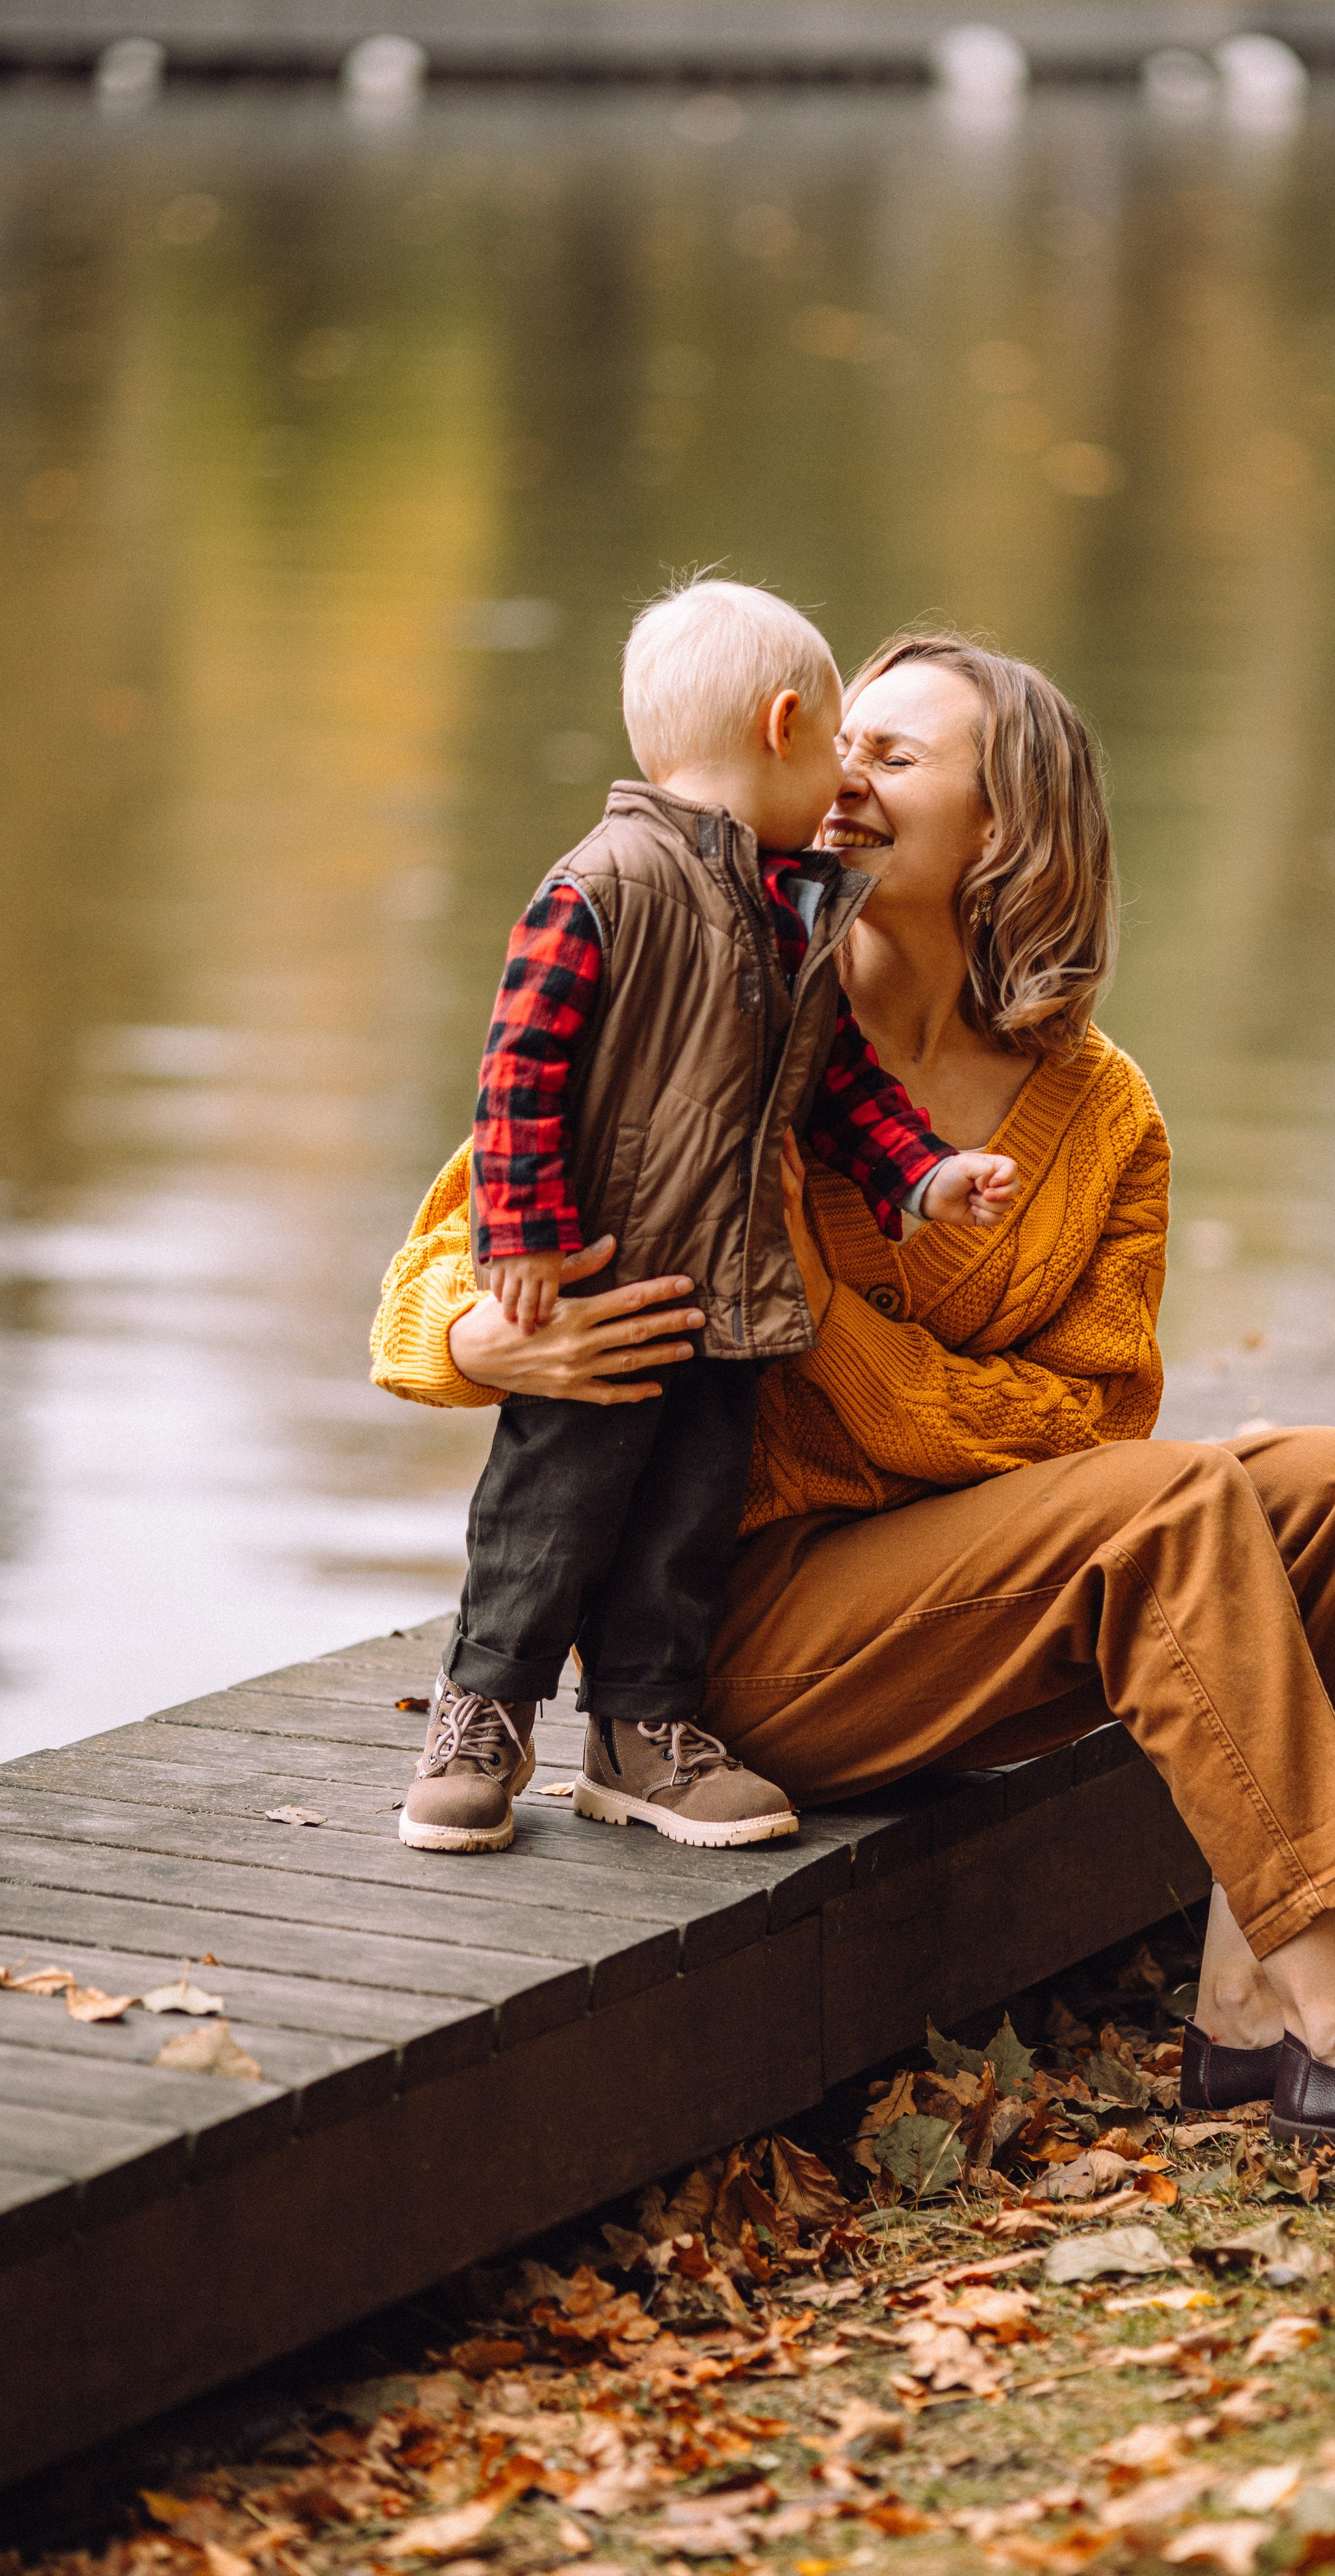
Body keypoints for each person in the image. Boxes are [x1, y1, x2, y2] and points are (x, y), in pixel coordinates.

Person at [373, 630, 1335, 2157]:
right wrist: (492, 1343)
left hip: (976, 1610)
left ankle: (1247, 2022)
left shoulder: (1102, 1116)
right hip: (735, 1651)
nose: (840, 779)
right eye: (840, 747)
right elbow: (443, 1263)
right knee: (1171, 1504)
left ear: (1003, 830)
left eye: (892, 759)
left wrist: (833, 1332)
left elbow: (1092, 1430)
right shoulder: (719, 992)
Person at [392, 582, 1015, 1859]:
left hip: (733, 1295)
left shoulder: (794, 915)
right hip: (601, 1290)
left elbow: (836, 1086)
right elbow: (518, 1073)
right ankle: (480, 1714)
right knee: (547, 1509)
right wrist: (516, 1238)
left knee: (684, 1525)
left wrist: (923, 1178)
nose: (845, 779)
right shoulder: (602, 884)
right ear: (786, 724)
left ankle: (641, 1736)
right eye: (843, 743)